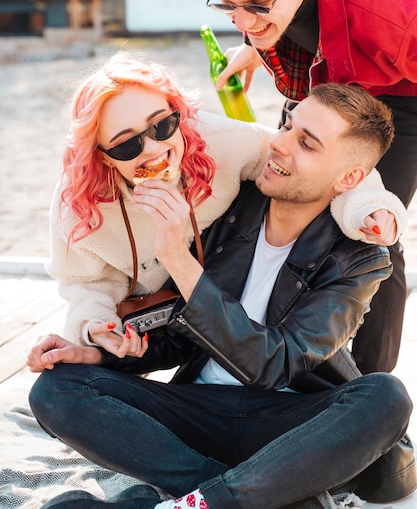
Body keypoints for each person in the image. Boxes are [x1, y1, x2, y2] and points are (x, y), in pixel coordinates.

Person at [28, 83, 416, 509]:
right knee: (56, 389)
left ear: (350, 179)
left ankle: (209, 498)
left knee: (385, 396)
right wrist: (99, 354)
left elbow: (276, 364)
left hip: (294, 426)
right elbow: (183, 335)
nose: (279, 143)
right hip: (198, 410)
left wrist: (178, 257)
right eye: (287, 125)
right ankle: (229, 496)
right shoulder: (227, 202)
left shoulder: (360, 257)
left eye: (305, 142)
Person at [42, 51, 403, 354]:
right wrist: (95, 329)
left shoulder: (221, 143)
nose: (154, 149)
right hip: (138, 313)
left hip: (211, 299)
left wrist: (368, 205)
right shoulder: (76, 204)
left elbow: (326, 166)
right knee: (61, 384)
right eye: (126, 145)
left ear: (178, 112)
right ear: (103, 156)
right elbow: (84, 283)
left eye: (162, 125)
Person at [204, 0, 417, 374]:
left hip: (404, 86)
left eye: (256, 6)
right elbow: (252, 2)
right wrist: (257, 37)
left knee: (371, 229)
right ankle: (273, 351)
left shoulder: (395, 14)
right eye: (228, 7)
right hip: (328, 72)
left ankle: (368, 395)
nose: (240, 20)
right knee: (288, 193)